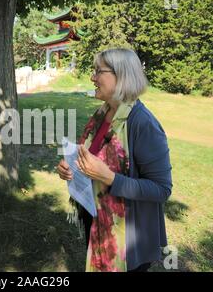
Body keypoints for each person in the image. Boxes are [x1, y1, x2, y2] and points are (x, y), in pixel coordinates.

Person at [57, 48, 172, 272]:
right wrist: (71, 168)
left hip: (128, 240)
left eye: (98, 71)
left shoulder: (143, 123)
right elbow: (89, 157)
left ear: (121, 76)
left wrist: (109, 178)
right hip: (97, 221)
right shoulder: (102, 114)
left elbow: (161, 189)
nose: (92, 77)